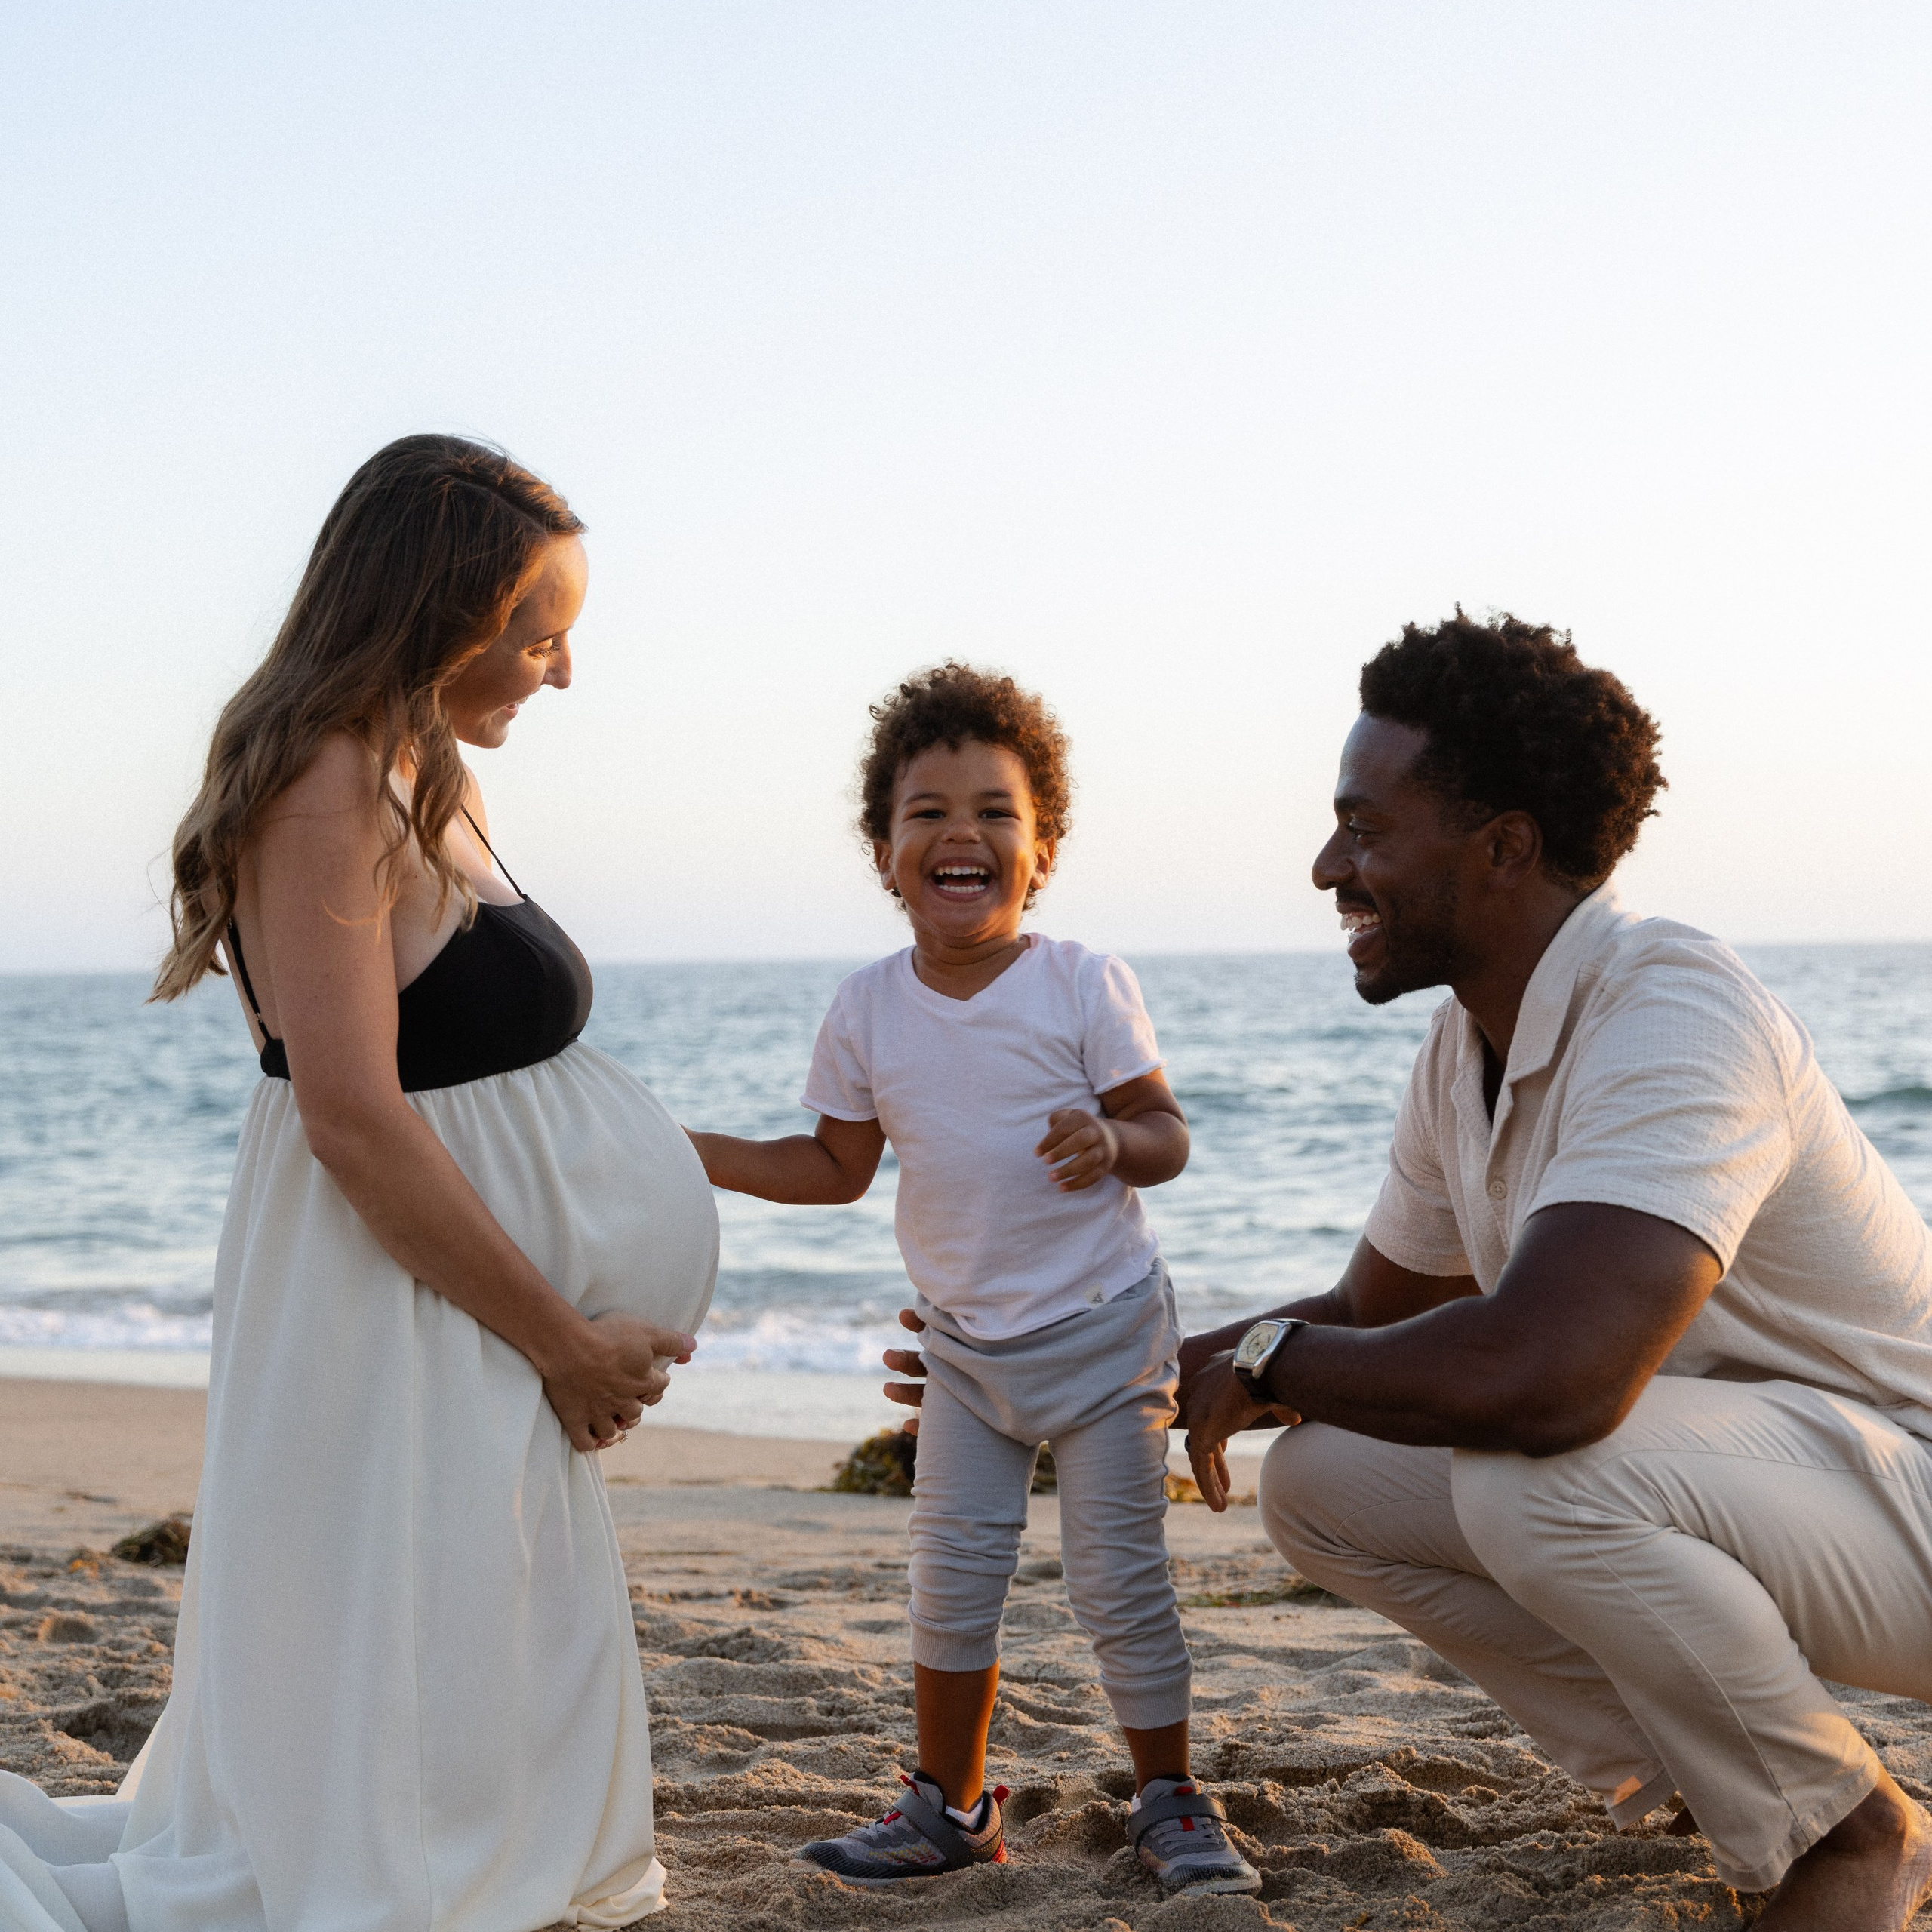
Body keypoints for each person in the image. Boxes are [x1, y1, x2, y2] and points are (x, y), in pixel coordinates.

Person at [0, 435, 718, 1932]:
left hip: (449, 1305)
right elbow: (351, 1114)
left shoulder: (414, 766)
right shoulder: (326, 781)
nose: (562, 668)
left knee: (457, 1645)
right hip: (409, 1295)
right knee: (398, 1672)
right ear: (429, 607)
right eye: (536, 628)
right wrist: (560, 1335)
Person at [1175, 611, 1932, 1930]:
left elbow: (1550, 1385)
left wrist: (1274, 1363)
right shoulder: (1466, 1048)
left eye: (1365, 828)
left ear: (1504, 846)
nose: (1324, 868)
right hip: (1779, 1497)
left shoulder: (1674, 1005)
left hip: (1909, 1504)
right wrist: (1099, 1359)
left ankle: (1839, 1835)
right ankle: (1735, 1769)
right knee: (1324, 1483)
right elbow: (1370, 1318)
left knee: (1540, 1477)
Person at [686, 663, 1259, 1897]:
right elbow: (838, 1165)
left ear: (1041, 851)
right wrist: (693, 1157)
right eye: (929, 811)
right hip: (964, 1355)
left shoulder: (1081, 983)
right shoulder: (867, 1010)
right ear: (885, 850)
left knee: (1118, 1582)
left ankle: (1168, 1794)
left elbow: (1168, 1133)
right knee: (949, 1584)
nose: (963, 833)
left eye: (997, 811)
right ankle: (948, 1809)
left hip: (1108, 1342)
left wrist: (1116, 1143)